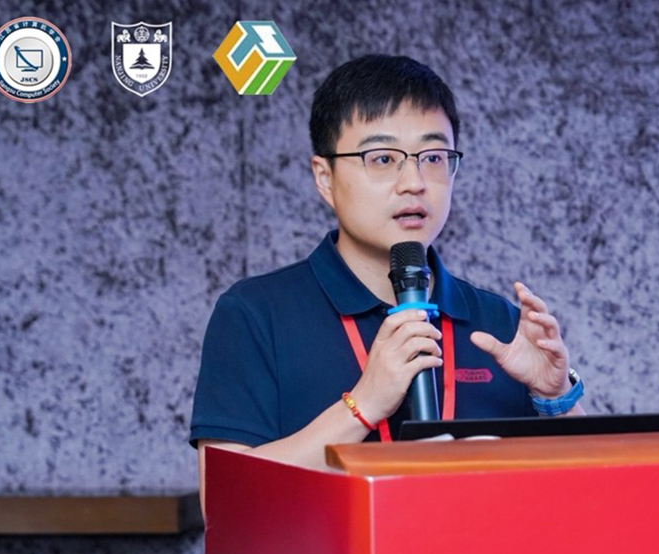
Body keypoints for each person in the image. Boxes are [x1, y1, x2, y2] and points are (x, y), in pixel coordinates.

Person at [190, 55, 584, 503]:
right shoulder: (255, 314)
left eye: (433, 157)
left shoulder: (500, 324)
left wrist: (556, 399)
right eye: (382, 158)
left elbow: (587, 497)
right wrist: (364, 405)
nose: (414, 182)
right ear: (325, 178)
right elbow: (223, 499)